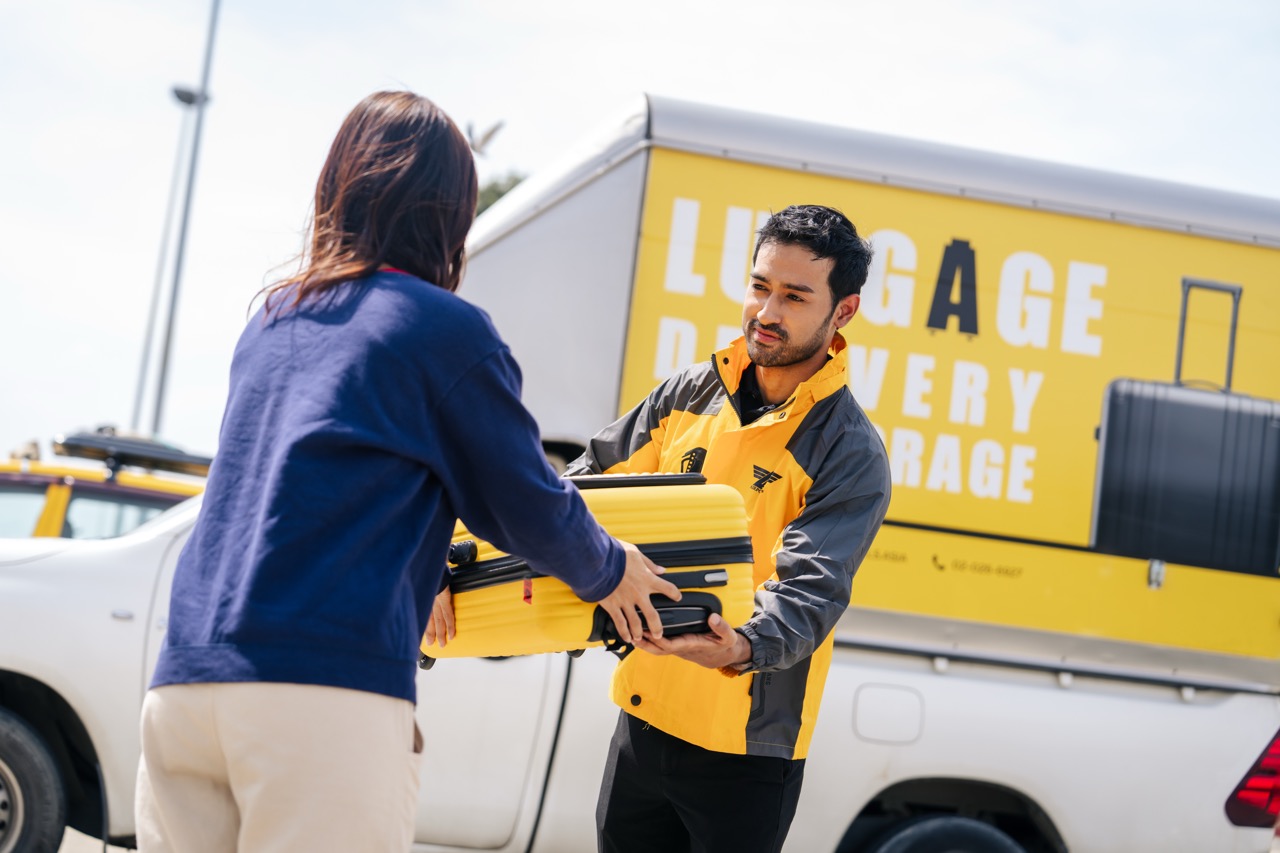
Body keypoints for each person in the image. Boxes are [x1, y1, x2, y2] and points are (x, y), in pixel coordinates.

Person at [134, 90, 678, 853]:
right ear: (448, 212)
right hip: (319, 692)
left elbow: (307, 483)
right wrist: (611, 569)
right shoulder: (442, 330)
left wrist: (420, 570)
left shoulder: (274, 318)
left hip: (184, 682)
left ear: (341, 186)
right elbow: (522, 500)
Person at [567, 204, 893, 853]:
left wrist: (737, 645)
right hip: (644, 717)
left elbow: (808, 593)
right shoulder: (689, 392)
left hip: (747, 754)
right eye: (760, 285)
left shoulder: (849, 450)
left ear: (844, 312)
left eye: (795, 296)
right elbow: (584, 486)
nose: (767, 311)